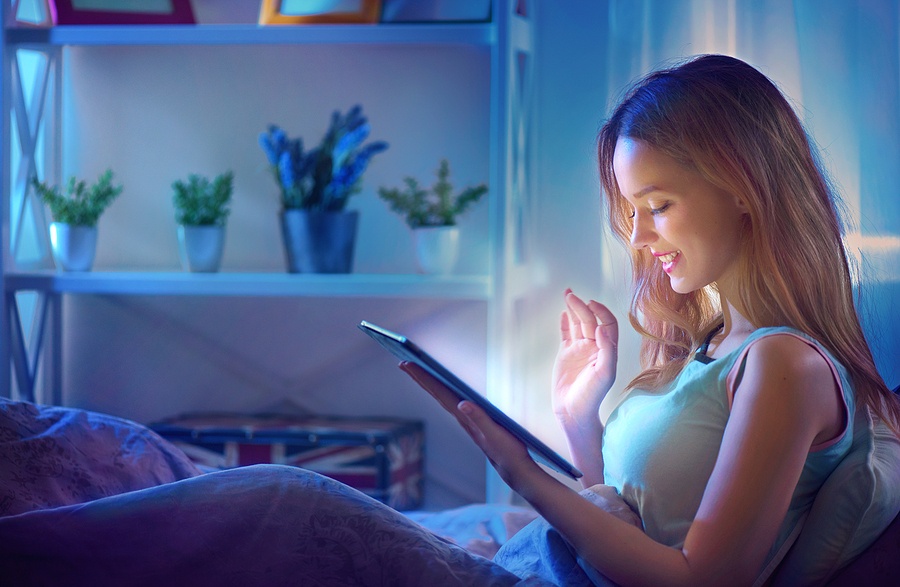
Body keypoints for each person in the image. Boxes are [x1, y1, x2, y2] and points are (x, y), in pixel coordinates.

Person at [401, 54, 900, 586]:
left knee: (301, 503)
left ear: (742, 187)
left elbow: (700, 579)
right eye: (630, 212)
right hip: (537, 566)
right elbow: (625, 520)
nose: (637, 238)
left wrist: (522, 474)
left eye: (658, 205)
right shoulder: (712, 344)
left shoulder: (784, 365)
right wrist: (578, 417)